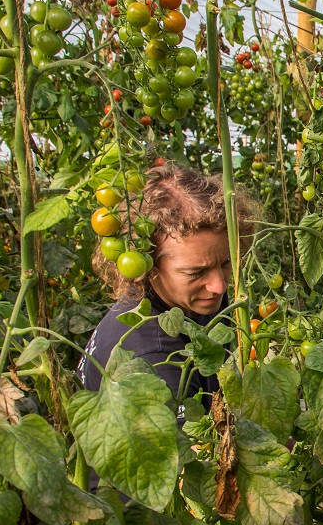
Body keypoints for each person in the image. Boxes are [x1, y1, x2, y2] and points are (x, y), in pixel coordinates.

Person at [78, 164, 260, 421]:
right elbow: (190, 456)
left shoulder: (188, 298)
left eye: (226, 263)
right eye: (195, 273)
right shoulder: (154, 359)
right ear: (147, 267)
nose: (219, 286)